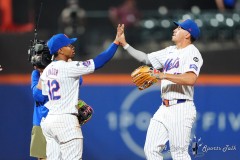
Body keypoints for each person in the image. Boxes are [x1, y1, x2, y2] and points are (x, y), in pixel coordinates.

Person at [118, 19, 203, 160]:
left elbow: (190, 79)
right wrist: (125, 44)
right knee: (150, 149)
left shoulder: (193, 53)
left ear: (188, 34)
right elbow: (146, 59)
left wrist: (163, 75)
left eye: (179, 28)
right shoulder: (170, 51)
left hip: (182, 107)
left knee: (179, 153)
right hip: (164, 108)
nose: (174, 30)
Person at [40, 24, 123, 159]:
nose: (72, 47)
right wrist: (115, 43)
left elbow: (43, 93)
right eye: (69, 45)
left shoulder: (47, 70)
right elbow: (99, 62)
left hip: (50, 122)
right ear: (60, 50)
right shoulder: (68, 67)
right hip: (65, 121)